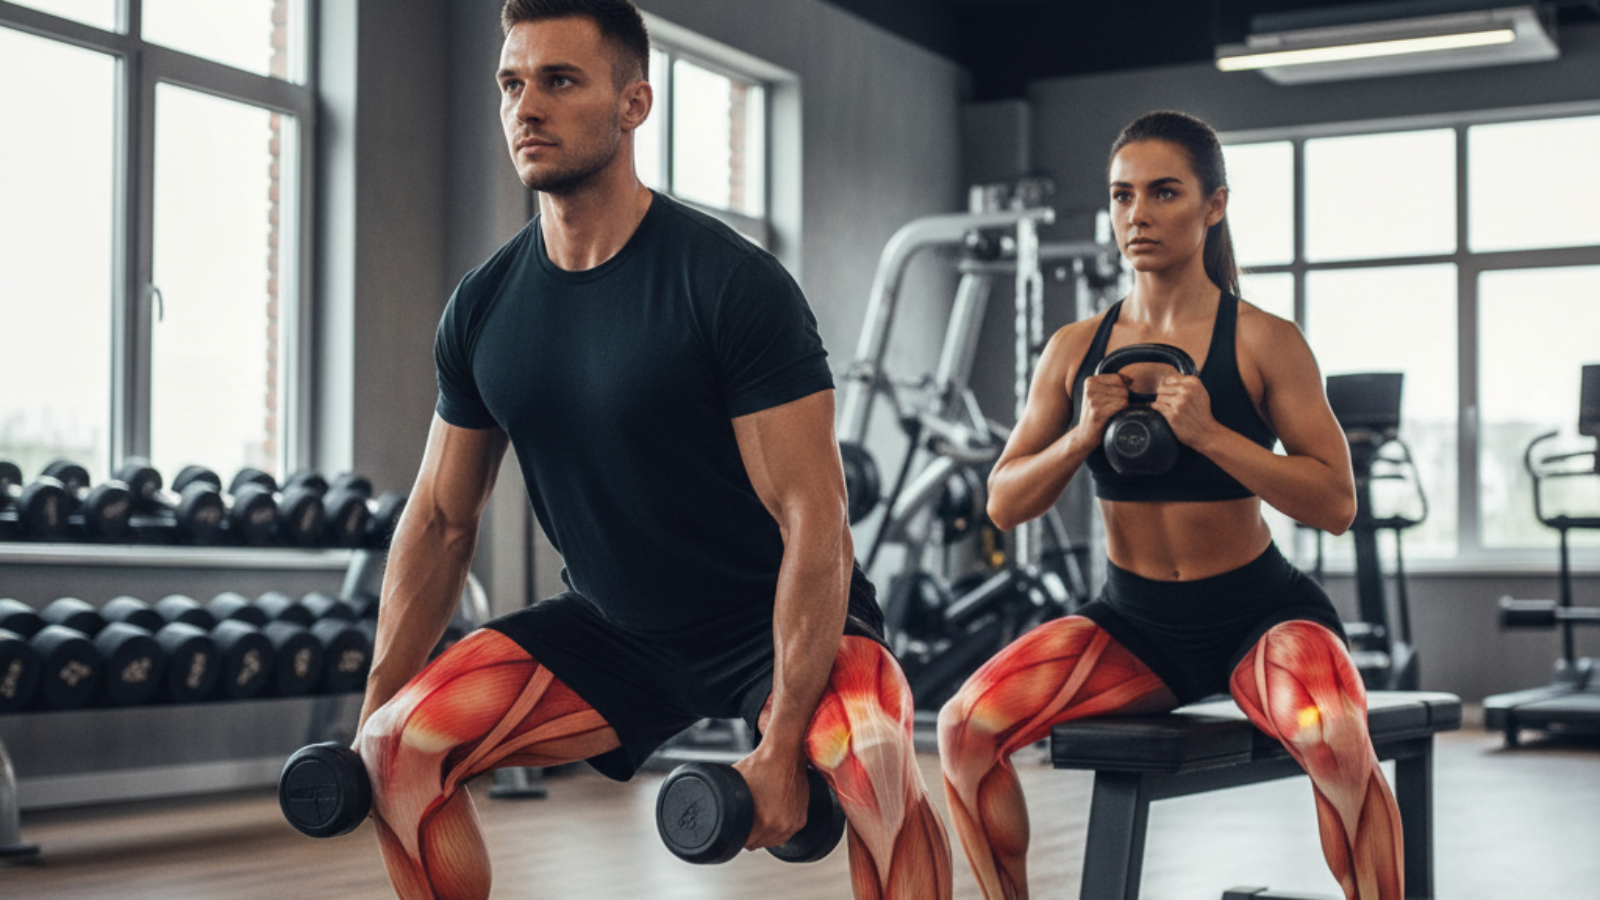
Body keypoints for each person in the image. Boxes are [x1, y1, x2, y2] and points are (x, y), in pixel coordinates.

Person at [351, 2, 952, 898]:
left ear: (635, 105)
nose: (527, 107)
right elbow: (440, 519)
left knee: (873, 763)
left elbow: (813, 519)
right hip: (612, 630)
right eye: (512, 84)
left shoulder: (732, 284)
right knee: (402, 750)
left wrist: (782, 748)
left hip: (771, 622)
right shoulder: (483, 309)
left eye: (560, 81)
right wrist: (372, 718)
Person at [937, 110, 1404, 900]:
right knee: (962, 731)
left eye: (1163, 193)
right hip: (1135, 626)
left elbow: (1335, 500)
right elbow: (1005, 503)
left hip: (1262, 616)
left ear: (1213, 205)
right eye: (1122, 197)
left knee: (1334, 736)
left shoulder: (1263, 340)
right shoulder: (1073, 349)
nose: (1138, 215)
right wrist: (1083, 434)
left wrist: (1214, 435)